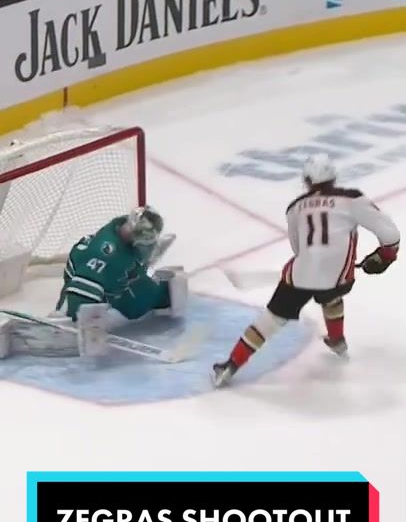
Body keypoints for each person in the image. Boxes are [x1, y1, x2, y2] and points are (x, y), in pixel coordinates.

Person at [212, 153, 400, 388]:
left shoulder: (294, 208)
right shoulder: (352, 199)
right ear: (333, 178)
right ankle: (337, 340)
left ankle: (230, 366)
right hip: (339, 277)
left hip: (300, 276)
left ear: (308, 181)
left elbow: (298, 248)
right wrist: (385, 256)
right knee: (331, 292)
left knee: (270, 320)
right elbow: (391, 235)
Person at [56, 205, 187, 329]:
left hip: (110, 278)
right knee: (141, 298)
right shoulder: (105, 256)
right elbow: (79, 295)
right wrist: (74, 324)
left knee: (155, 290)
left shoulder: (123, 227)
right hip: (92, 290)